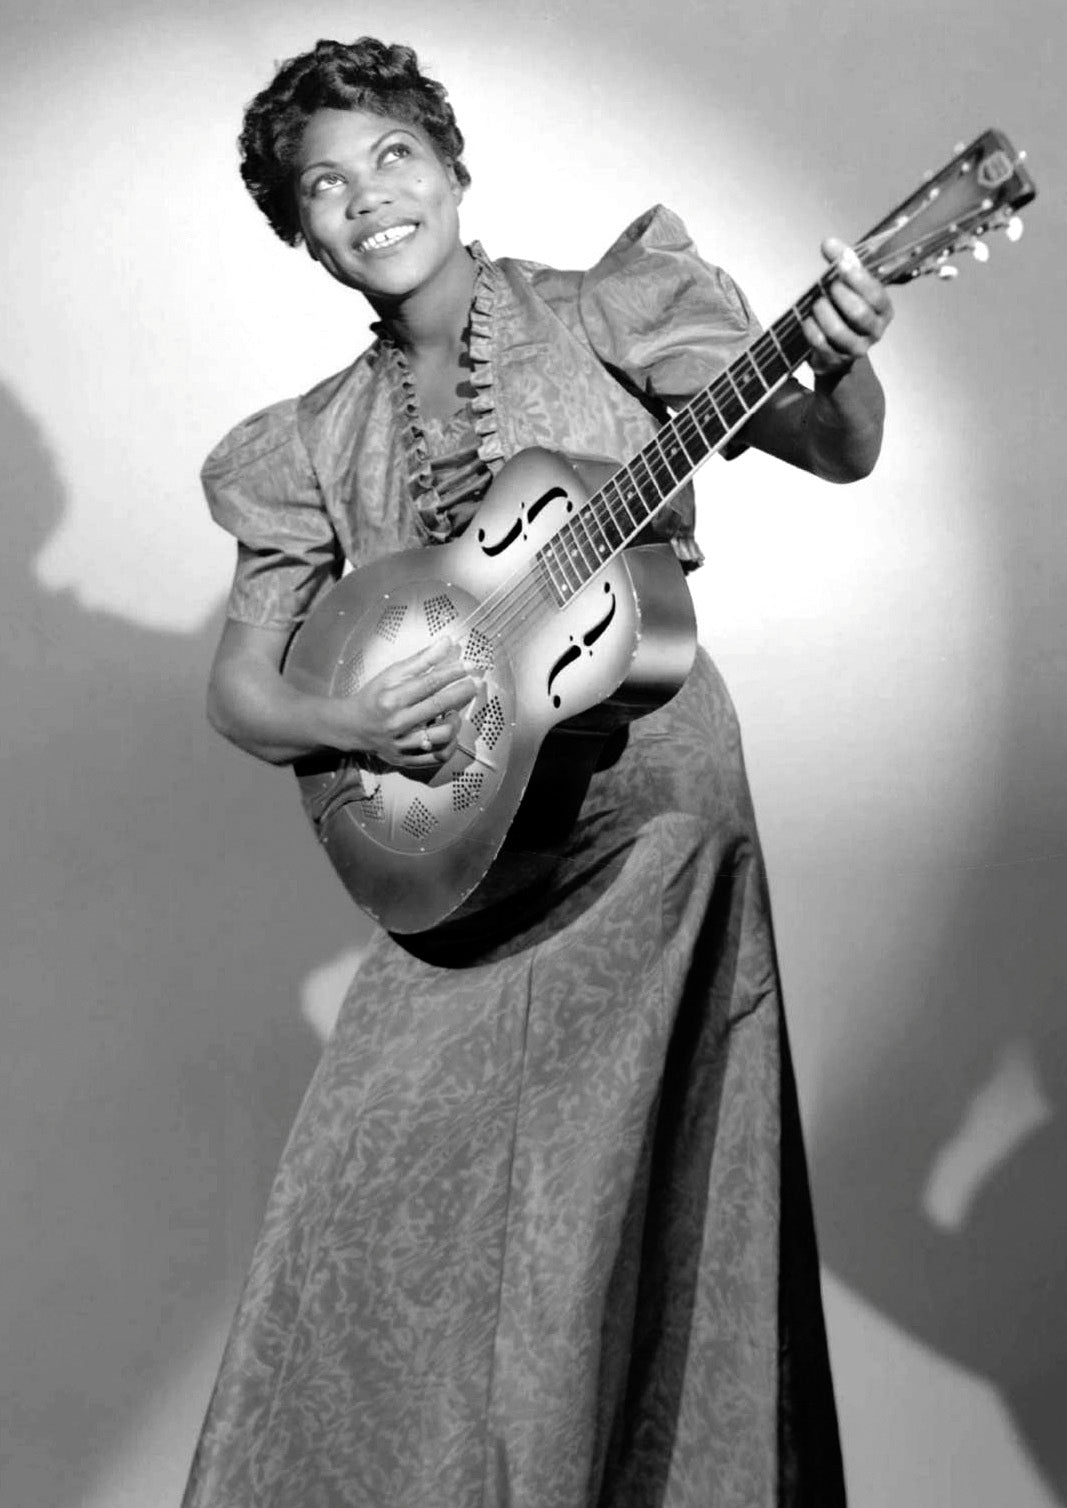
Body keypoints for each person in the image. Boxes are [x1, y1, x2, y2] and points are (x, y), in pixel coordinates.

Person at [183, 35, 892, 1508]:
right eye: (324, 186)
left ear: (452, 168)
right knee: (363, 1186)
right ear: (301, 232)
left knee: (594, 1208)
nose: (369, 197)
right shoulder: (307, 441)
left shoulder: (609, 306)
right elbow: (245, 690)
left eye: (393, 155)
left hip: (647, 819)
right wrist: (355, 724)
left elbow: (832, 444)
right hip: (461, 861)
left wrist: (835, 358)